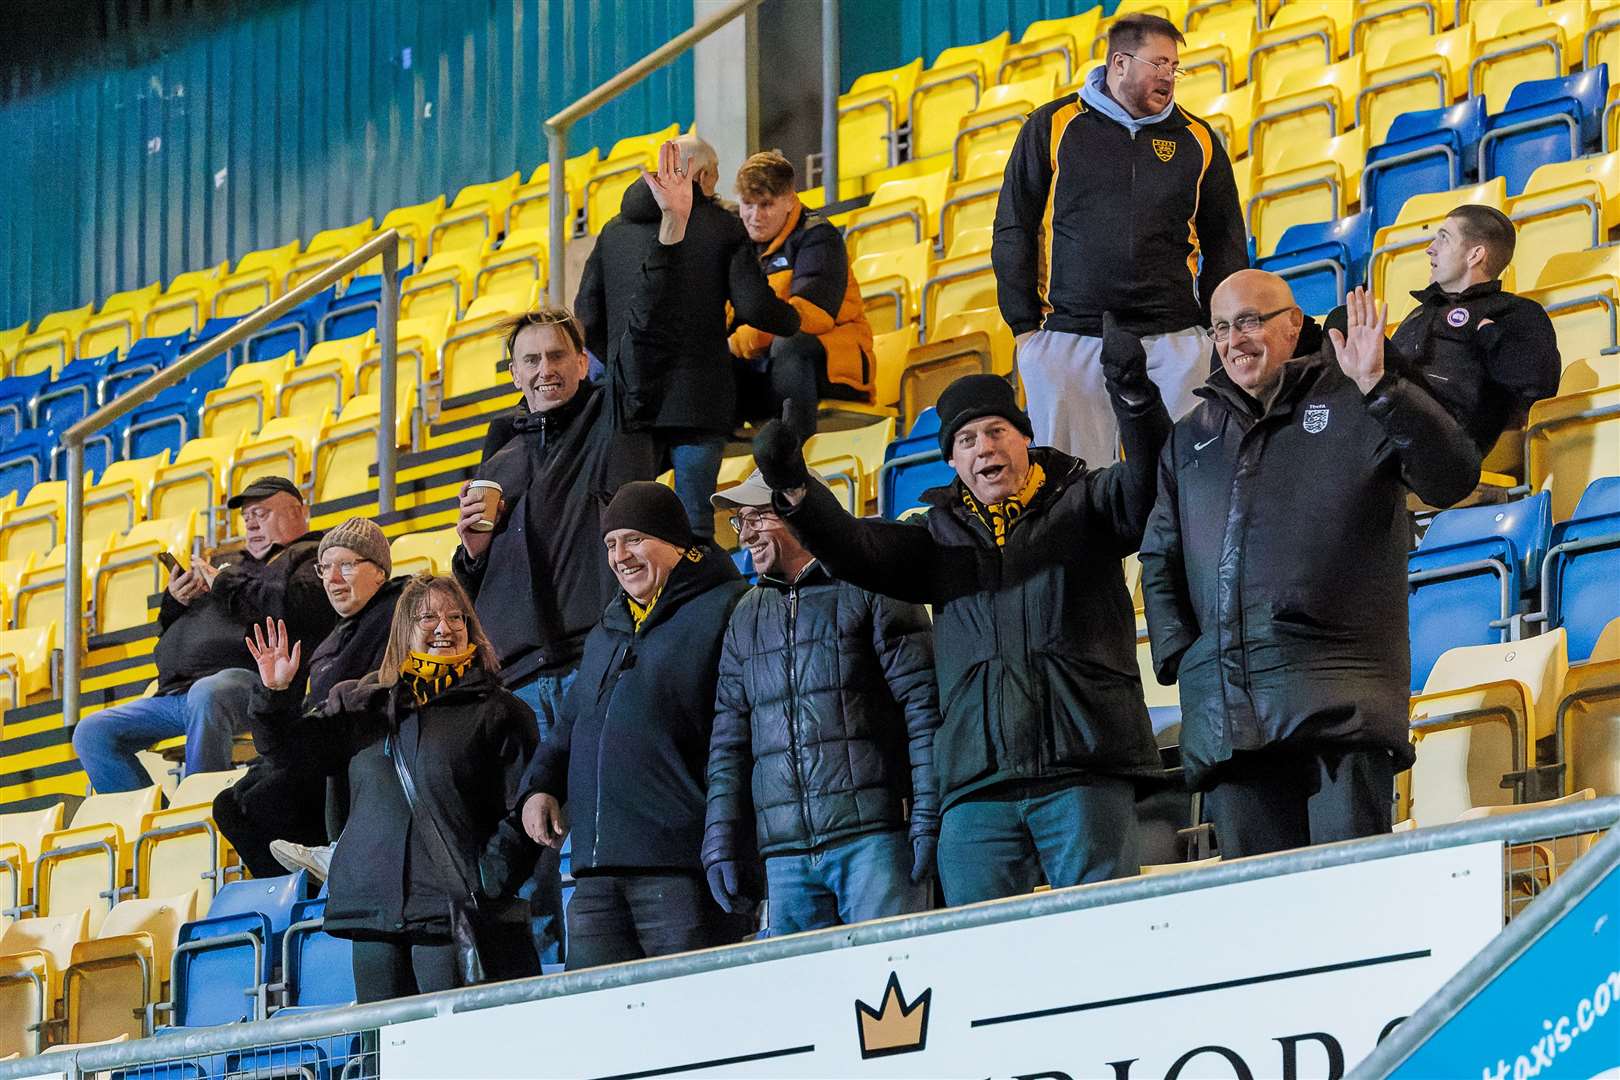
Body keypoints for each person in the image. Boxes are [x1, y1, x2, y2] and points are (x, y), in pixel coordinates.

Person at [748, 333, 1171, 904]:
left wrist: (1134, 396)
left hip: (1083, 766)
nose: (983, 448)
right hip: (976, 788)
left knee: (1100, 936)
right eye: (966, 439)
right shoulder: (934, 536)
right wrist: (796, 489)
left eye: (997, 431)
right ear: (951, 459)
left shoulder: (1088, 502)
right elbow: (855, 547)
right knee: (977, 957)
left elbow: (1150, 483)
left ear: (1025, 438)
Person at [1139, 272, 1482, 858]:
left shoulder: (1357, 397)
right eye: (1222, 327)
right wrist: (1184, 655)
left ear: (1293, 323)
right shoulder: (1192, 434)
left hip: (1338, 708)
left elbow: (1451, 477)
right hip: (1228, 723)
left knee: (1349, 905)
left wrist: (1381, 385)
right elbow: (1159, 554)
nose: (1234, 340)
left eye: (1250, 320)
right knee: (1264, 929)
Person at [450, 305, 653, 966]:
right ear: (513, 372)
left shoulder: (611, 420)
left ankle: (607, 969)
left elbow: (648, 329)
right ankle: (545, 990)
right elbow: (479, 583)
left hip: (597, 655)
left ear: (581, 359)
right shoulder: (498, 457)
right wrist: (472, 552)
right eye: (531, 360)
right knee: (531, 847)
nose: (545, 371)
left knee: (602, 828)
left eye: (557, 357)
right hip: (519, 681)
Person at [243, 575, 540, 1003]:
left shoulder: (501, 711)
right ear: (404, 630)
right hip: (372, 914)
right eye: (428, 617)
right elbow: (289, 753)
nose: (444, 627)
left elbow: (525, 807)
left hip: (450, 915)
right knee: (383, 1054)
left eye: (456, 617)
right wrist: (275, 695)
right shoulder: (362, 704)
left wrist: (488, 878)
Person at [993, 12, 1247, 467]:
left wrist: (1214, 326)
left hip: (1175, 338)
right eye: (1159, 63)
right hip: (1069, 336)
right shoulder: (1052, 126)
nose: (1169, 76)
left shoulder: (1198, 139)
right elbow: (1014, 227)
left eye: (1174, 67)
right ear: (1120, 63)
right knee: (1074, 484)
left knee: (1190, 474)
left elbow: (1226, 239)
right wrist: (1024, 329)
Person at [516, 480, 750, 968]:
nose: (620, 555)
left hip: (681, 869)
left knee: (690, 1021)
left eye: (634, 539)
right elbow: (571, 724)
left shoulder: (726, 607)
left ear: (678, 544)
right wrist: (540, 785)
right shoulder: (609, 628)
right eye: (610, 544)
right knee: (595, 1029)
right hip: (596, 874)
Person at [703, 469, 941, 934]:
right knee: (803, 1003)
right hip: (785, 856)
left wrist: (929, 814)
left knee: (891, 986)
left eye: (758, 517)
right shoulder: (745, 616)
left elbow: (923, 708)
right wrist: (721, 838)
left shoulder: (873, 585)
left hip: (875, 840)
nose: (746, 532)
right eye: (741, 521)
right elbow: (728, 743)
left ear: (800, 514)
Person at [574, 133, 800, 540]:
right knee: (695, 521)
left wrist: (622, 363)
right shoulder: (721, 227)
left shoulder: (612, 232)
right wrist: (795, 319)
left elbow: (587, 314)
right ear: (700, 175)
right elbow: (754, 307)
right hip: (699, 400)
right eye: (713, 175)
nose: (715, 184)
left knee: (635, 522)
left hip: (631, 402)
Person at [72, 477, 331, 792]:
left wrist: (224, 582)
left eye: (261, 514)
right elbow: (171, 631)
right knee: (92, 732)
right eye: (246, 517)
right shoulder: (233, 564)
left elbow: (291, 606)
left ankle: (198, 807)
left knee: (207, 694)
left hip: (258, 685)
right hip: (179, 692)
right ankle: (161, 824)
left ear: (297, 511)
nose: (250, 524)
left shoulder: (313, 556)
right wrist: (176, 601)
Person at [211, 517, 404, 879]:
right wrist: (275, 692)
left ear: (379, 572)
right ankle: (297, 899)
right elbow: (292, 739)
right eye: (324, 567)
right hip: (328, 752)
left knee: (256, 800)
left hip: (365, 757)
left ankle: (317, 893)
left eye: (345, 565)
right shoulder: (329, 641)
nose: (331, 579)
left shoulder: (401, 614)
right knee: (231, 803)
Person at [1328, 204, 1559, 456]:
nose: (1430, 249)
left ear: (1474, 256)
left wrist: (1486, 333)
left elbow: (1539, 384)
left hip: (1445, 439)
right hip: (1384, 423)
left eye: (1444, 239)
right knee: (1341, 323)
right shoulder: (1420, 313)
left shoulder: (1514, 311)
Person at [730, 151, 875, 443]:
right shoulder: (736, 241)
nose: (755, 217)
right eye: (748, 205)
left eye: (766, 205)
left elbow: (808, 316)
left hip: (835, 364)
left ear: (789, 200)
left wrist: (739, 342)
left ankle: (793, 456)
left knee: (789, 343)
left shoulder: (819, 236)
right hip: (763, 363)